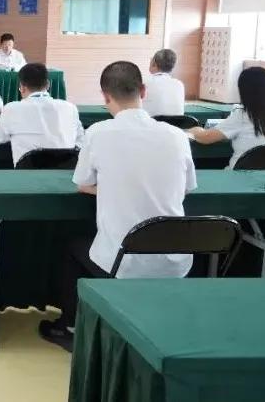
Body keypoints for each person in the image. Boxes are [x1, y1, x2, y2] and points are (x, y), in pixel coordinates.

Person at [39, 61, 196, 351]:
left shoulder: (99, 133)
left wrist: (113, 187)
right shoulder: (176, 135)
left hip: (124, 261)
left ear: (105, 96)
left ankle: (69, 326)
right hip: (176, 260)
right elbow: (186, 188)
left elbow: (82, 183)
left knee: (70, 247)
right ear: (143, 91)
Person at [189, 66, 265, 168]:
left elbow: (206, 138)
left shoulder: (242, 116)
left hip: (239, 181)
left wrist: (195, 130)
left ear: (244, 92)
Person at [0, 62, 84, 165]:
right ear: (48, 85)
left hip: (27, 172)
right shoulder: (70, 108)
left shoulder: (11, 109)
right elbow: (81, 142)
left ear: (22, 87)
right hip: (65, 170)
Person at [143, 48, 185, 116]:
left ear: (154, 63)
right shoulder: (179, 84)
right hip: (176, 122)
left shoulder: (144, 82)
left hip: (151, 122)